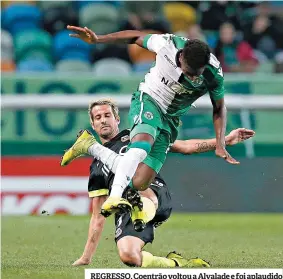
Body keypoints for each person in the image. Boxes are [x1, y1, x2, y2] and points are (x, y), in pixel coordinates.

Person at [62, 25, 240, 218]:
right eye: (188, 72)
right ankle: (114, 197)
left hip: (171, 119)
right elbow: (136, 36)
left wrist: (220, 142)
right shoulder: (167, 45)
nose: (191, 78)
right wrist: (99, 38)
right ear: (180, 58)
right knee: (142, 145)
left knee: (139, 182)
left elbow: (219, 108)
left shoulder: (213, 73)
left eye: (195, 74)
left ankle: (91, 146)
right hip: (149, 101)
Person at [69, 99, 255, 268]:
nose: (103, 120)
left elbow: (185, 146)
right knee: (129, 257)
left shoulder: (137, 135)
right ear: (92, 124)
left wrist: (225, 141)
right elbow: (97, 216)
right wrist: (86, 257)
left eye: (107, 115)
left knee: (137, 185)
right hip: (127, 209)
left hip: (152, 191)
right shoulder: (96, 169)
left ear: (117, 119)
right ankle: (177, 263)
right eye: (98, 117)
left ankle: (141, 206)